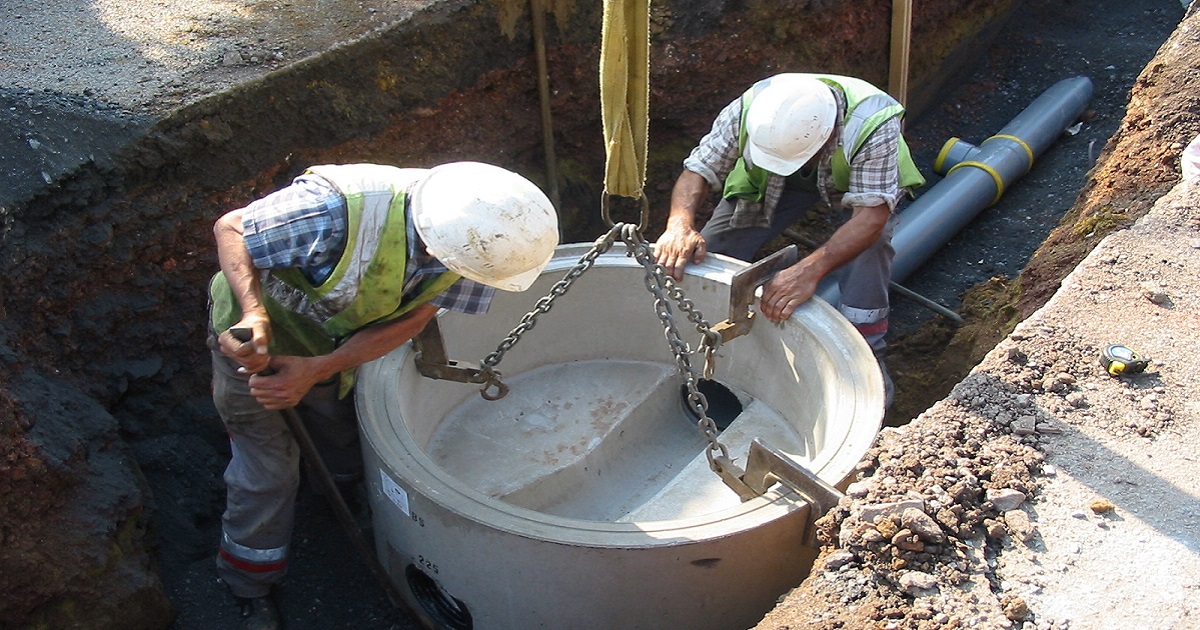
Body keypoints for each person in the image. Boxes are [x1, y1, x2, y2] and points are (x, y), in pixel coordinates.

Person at [206, 161, 559, 630]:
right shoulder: (337, 211)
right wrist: (253, 316)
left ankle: (335, 497)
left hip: (329, 354)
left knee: (344, 443)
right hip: (253, 351)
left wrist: (318, 370)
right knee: (267, 476)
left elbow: (410, 321)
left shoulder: (487, 248)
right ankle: (248, 584)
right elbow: (232, 227)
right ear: (437, 239)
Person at [653, 73, 924, 404]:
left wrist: (808, 271)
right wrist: (679, 223)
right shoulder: (751, 110)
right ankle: (699, 339)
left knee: (872, 242)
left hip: (850, 178)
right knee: (709, 251)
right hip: (770, 181)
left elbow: (870, 216)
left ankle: (866, 358)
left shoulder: (873, 126)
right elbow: (697, 170)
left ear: (825, 138)